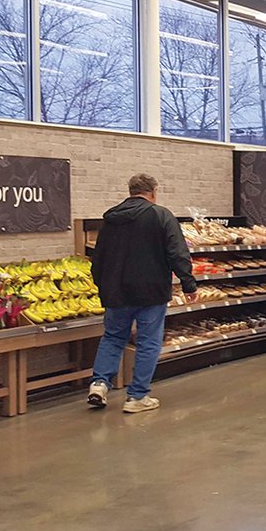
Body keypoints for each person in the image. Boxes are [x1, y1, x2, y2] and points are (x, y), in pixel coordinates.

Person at [87, 174, 197, 414]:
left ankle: (99, 384)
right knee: (148, 342)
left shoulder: (111, 219)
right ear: (153, 191)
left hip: (116, 290)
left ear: (130, 191)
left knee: (113, 337)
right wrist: (188, 284)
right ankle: (137, 396)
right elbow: (177, 252)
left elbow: (98, 258)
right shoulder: (161, 215)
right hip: (151, 291)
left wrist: (102, 285)